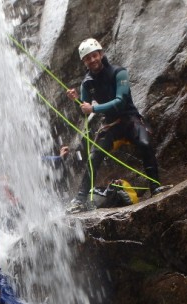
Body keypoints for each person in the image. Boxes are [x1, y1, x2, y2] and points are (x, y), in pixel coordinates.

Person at [65, 38, 170, 214]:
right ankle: (80, 199)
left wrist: (94, 108)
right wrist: (76, 101)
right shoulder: (87, 83)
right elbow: (85, 109)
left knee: (144, 144)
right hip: (111, 125)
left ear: (101, 54)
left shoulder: (119, 73)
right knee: (94, 157)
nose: (92, 60)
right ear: (84, 62)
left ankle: (155, 187)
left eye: (94, 55)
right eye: (87, 58)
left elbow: (120, 102)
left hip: (129, 119)